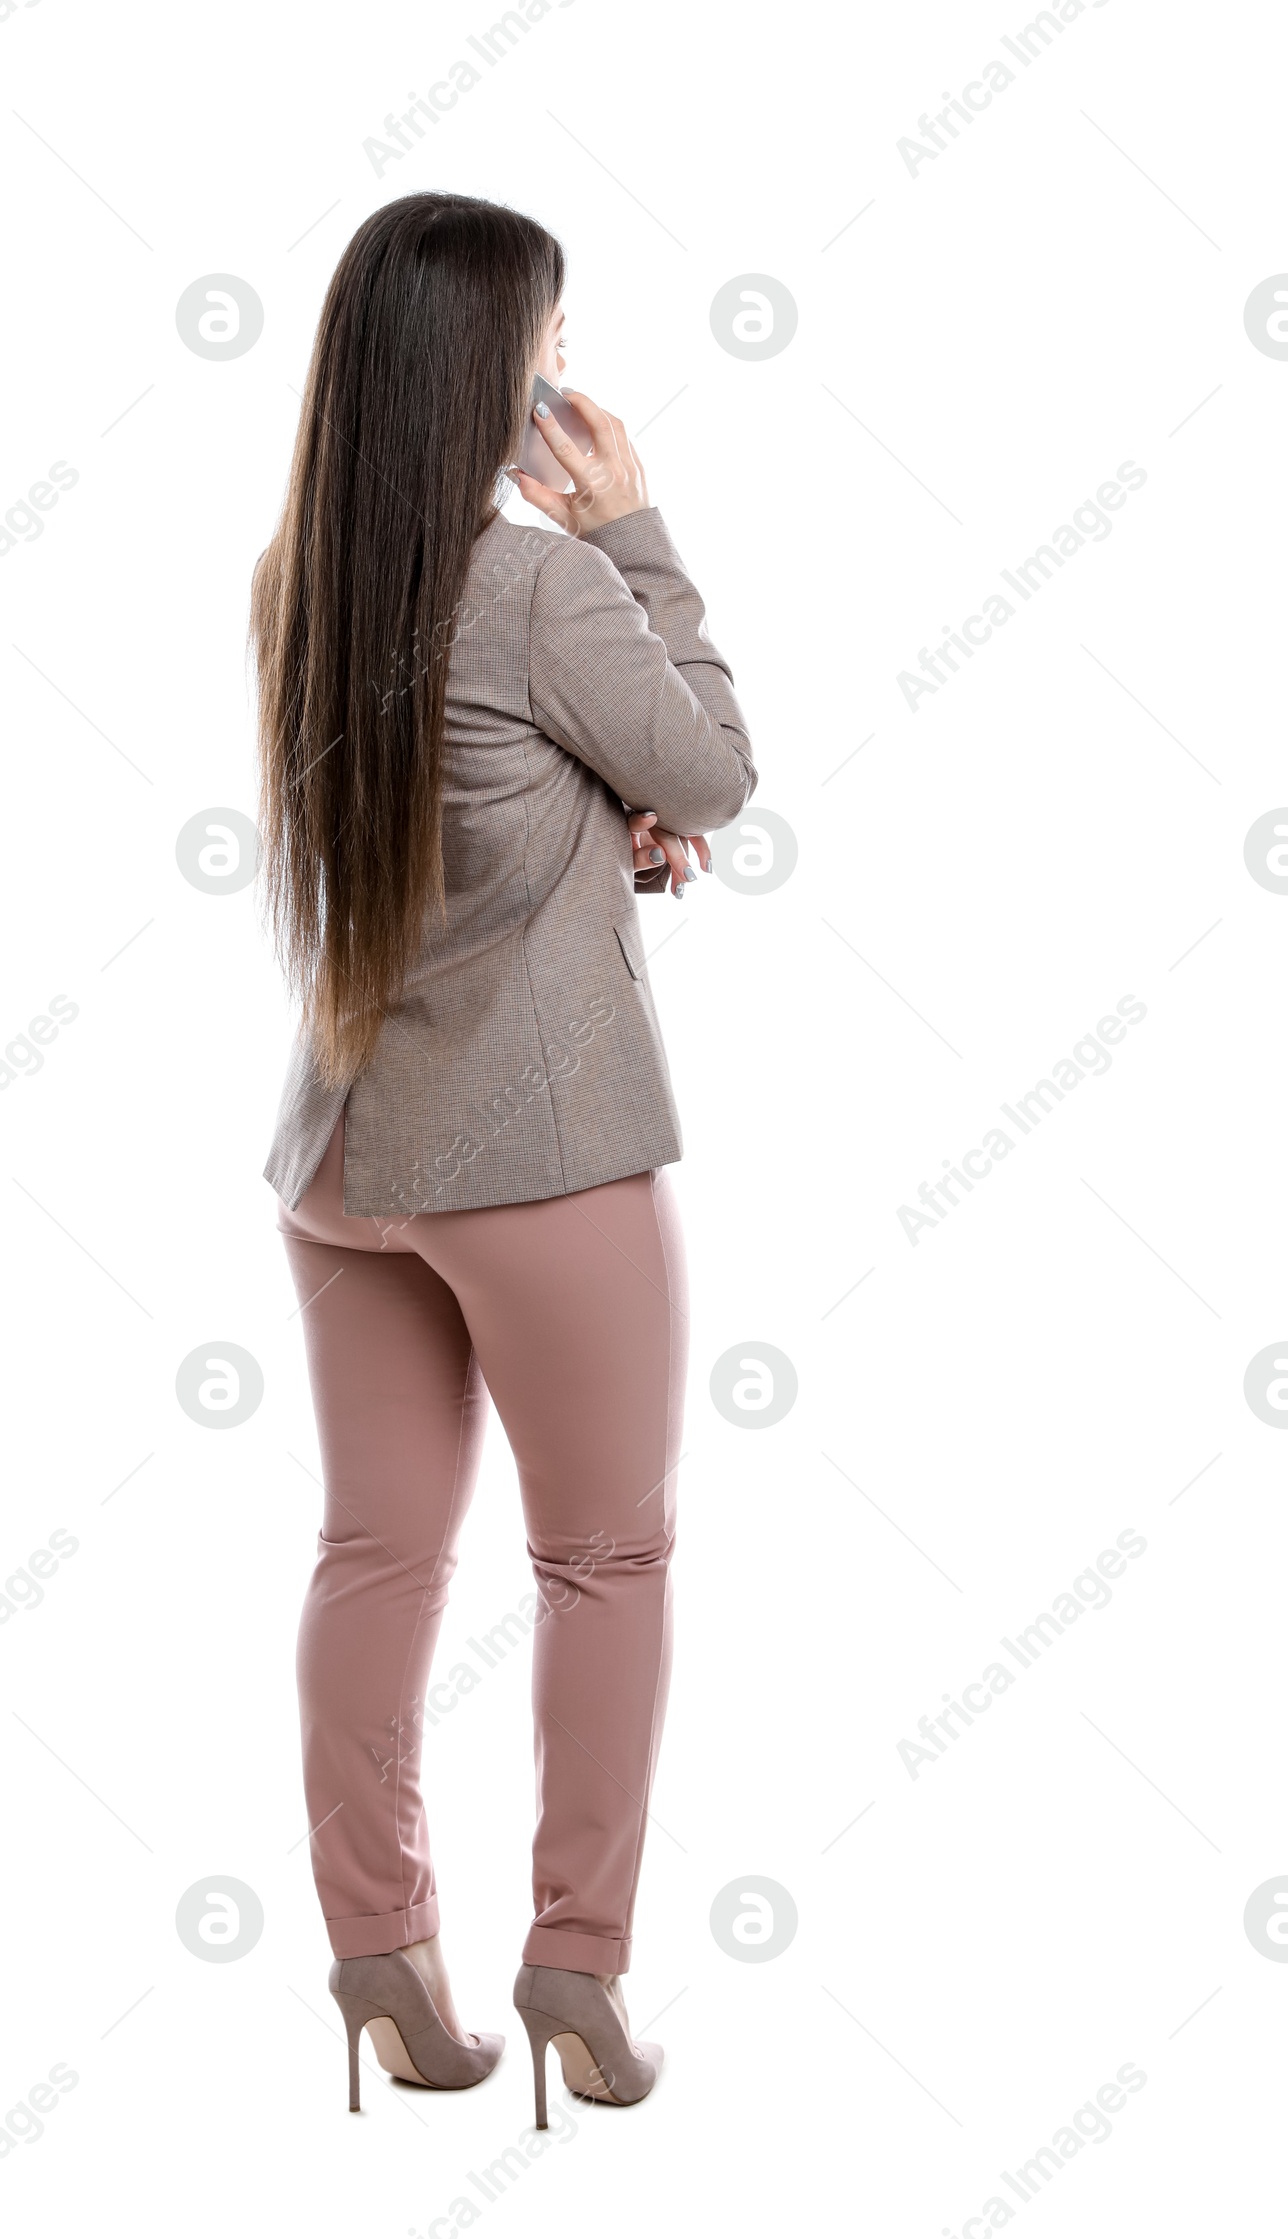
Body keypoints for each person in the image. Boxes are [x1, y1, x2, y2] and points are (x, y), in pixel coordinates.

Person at [251, 190, 755, 2125]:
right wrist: (630, 528)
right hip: (534, 1159)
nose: (559, 377)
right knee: (604, 1556)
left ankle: (377, 1954)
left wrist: (590, 827)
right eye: (546, 344)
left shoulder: (301, 572)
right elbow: (712, 765)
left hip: (346, 1151)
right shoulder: (542, 584)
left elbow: (439, 822)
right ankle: (578, 1977)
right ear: (494, 371)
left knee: (373, 1550)